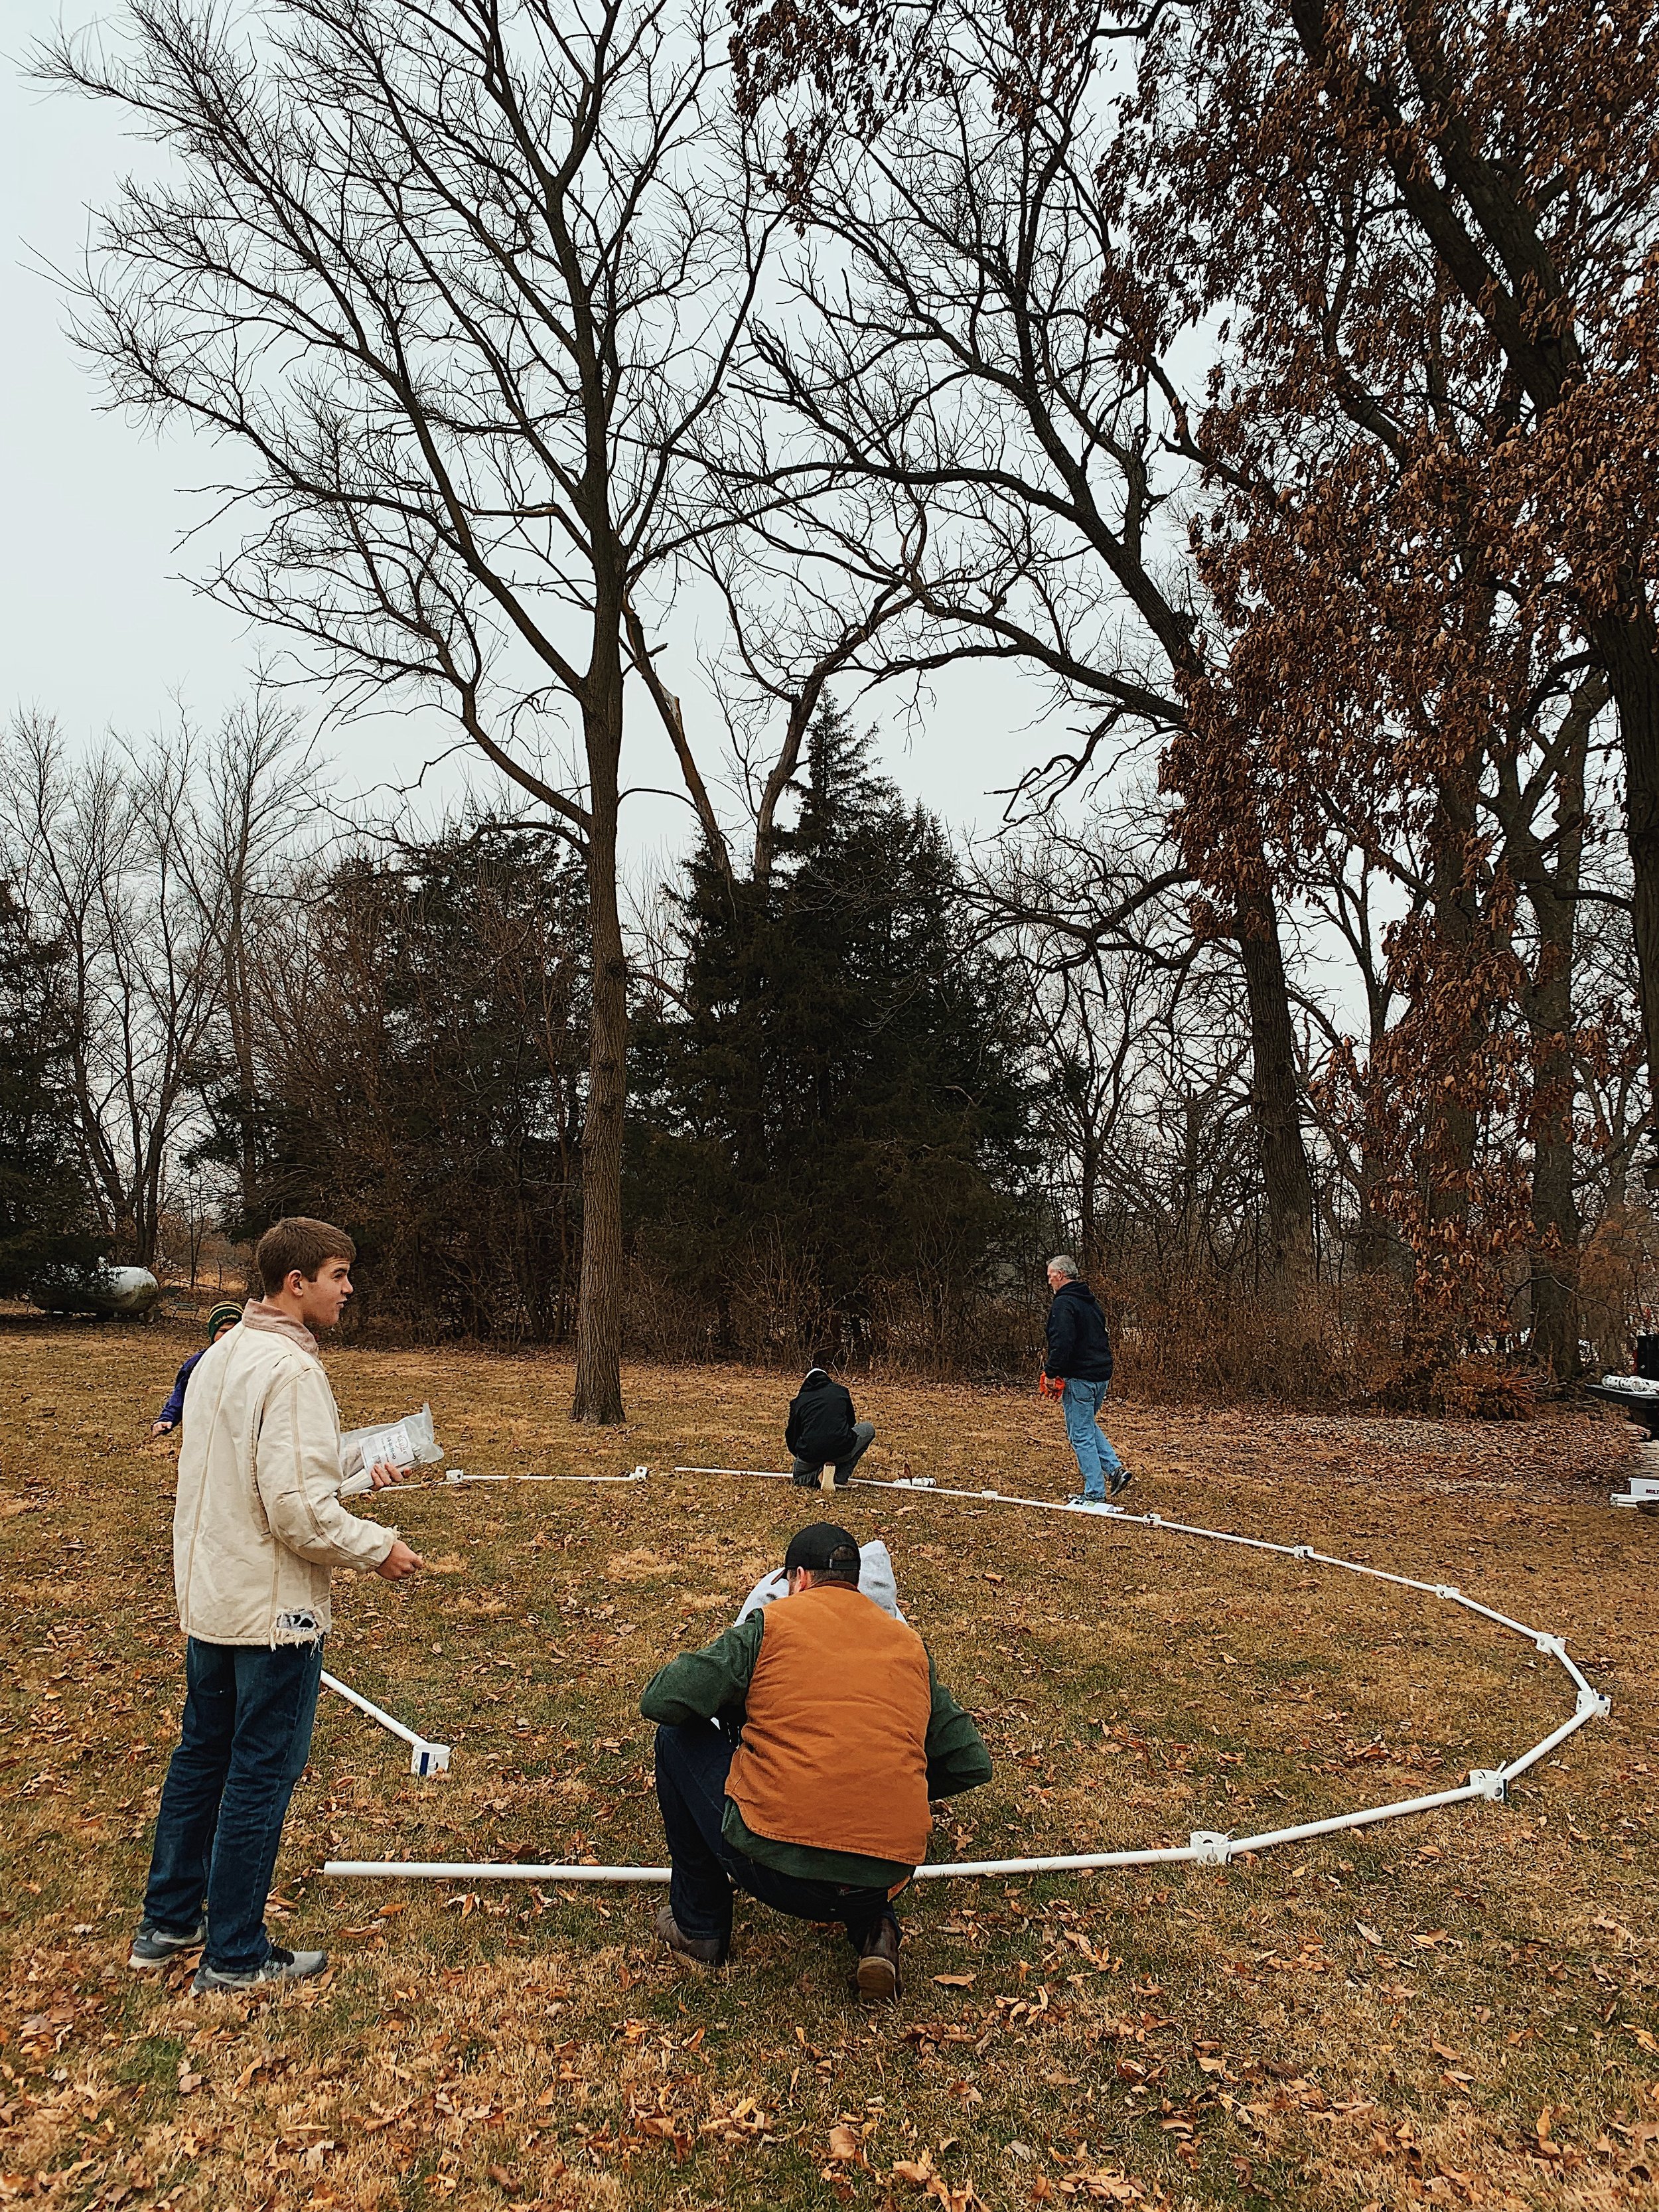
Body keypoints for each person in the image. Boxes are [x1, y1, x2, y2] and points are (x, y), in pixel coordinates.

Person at [130, 1216, 425, 1992]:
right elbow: (297, 1511)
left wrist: (359, 1465)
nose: (349, 1288)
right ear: (295, 1283)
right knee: (259, 1772)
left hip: (213, 1597)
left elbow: (267, 1471)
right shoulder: (290, 1372)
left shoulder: (223, 1355)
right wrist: (378, 1548)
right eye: (338, 1274)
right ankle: (233, 1954)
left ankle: (168, 1922)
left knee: (203, 1755)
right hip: (270, 1617)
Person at [641, 1521, 991, 2000]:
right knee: (862, 1806)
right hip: (884, 1879)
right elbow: (972, 1760)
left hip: (775, 1866)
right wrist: (889, 1782)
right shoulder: (909, 1647)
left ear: (799, 1578)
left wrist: (739, 1709)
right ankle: (877, 1932)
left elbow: (662, 1699)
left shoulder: (772, 1624)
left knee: (675, 1737)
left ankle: (699, 1923)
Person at [1043, 1254, 1131, 1507]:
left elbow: (1062, 1342)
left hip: (1080, 1378)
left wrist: (1051, 1373)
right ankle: (1115, 1471)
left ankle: (1093, 1492)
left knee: (1079, 1434)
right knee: (1086, 1426)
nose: (1049, 1281)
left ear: (1060, 1275)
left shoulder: (1064, 1304)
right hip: (1101, 1375)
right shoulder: (1090, 1302)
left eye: (1050, 1276)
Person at [151, 1301, 242, 1436]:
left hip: (238, 1430)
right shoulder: (197, 1364)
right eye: (223, 1331)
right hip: (205, 1429)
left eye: (234, 1331)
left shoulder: (251, 1363)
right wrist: (168, 1418)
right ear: (212, 1333)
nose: (228, 1336)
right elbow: (181, 1393)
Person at [786, 1351, 875, 1487]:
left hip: (810, 1453)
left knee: (798, 1478)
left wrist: (803, 1456)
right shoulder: (841, 1392)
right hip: (841, 1447)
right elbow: (851, 1423)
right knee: (869, 1429)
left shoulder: (799, 1401)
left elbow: (792, 1436)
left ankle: (818, 1476)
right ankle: (840, 1476)